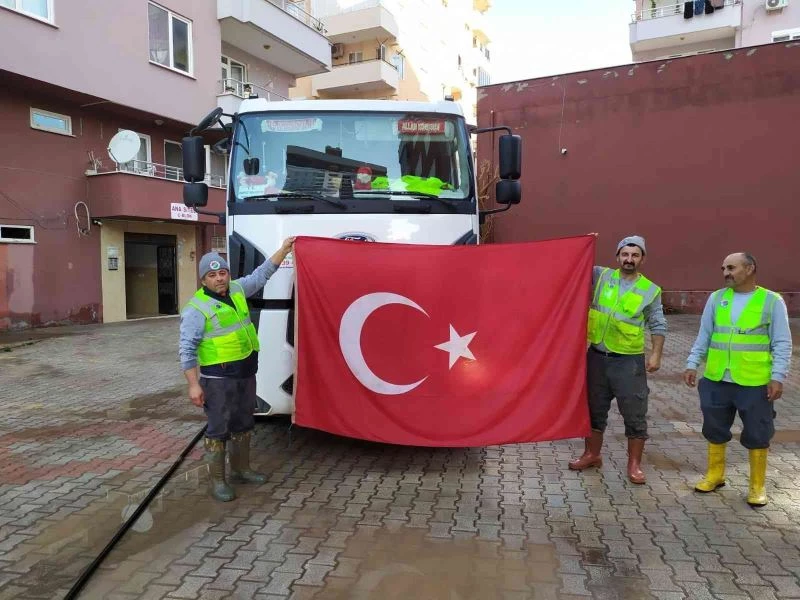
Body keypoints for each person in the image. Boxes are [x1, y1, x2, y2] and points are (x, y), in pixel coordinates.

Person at [179, 238, 295, 501]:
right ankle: (218, 481)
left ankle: (241, 469)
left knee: (244, 422)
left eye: (223, 272)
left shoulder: (238, 289)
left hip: (245, 373)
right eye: (212, 275)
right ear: (203, 280)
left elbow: (262, 274)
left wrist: (285, 249)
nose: (219, 278)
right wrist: (194, 384)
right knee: (219, 427)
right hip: (217, 379)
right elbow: (186, 350)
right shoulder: (195, 309)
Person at [684, 252, 792, 507]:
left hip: (753, 381)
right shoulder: (717, 298)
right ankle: (715, 475)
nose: (725, 273)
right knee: (714, 428)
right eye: (723, 268)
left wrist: (777, 376)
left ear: (750, 268)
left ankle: (757, 486)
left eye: (731, 268)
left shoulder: (771, 301)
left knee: (757, 431)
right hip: (717, 378)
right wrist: (692, 363)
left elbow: (782, 342)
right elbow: (705, 335)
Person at [569, 235, 667, 484]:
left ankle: (634, 465)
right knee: (593, 409)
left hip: (628, 362)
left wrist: (656, 354)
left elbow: (658, 323)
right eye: (625, 254)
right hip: (597, 357)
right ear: (617, 257)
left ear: (642, 259)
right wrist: (586, 241)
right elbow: (573, 261)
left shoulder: (650, 290)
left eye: (635, 255)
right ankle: (592, 454)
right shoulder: (601, 276)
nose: (629, 259)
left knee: (634, 413)